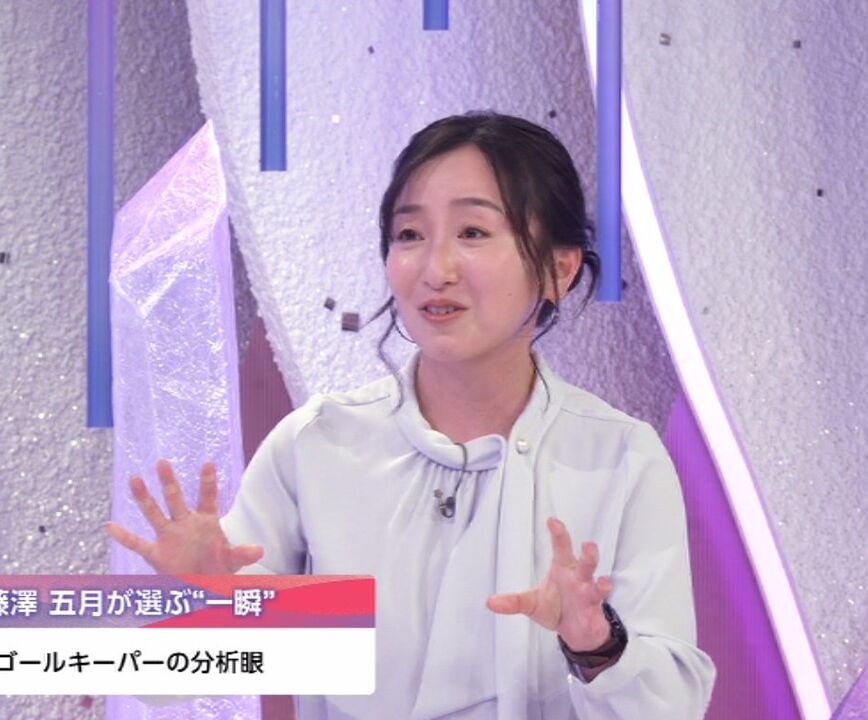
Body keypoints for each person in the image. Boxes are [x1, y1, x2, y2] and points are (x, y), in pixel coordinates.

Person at [107, 111, 716, 719]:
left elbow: (672, 708)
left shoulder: (620, 458)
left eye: (473, 232)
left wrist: (597, 646)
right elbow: (164, 678)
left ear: (560, 269)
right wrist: (192, 605)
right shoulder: (320, 445)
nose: (435, 269)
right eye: (409, 235)